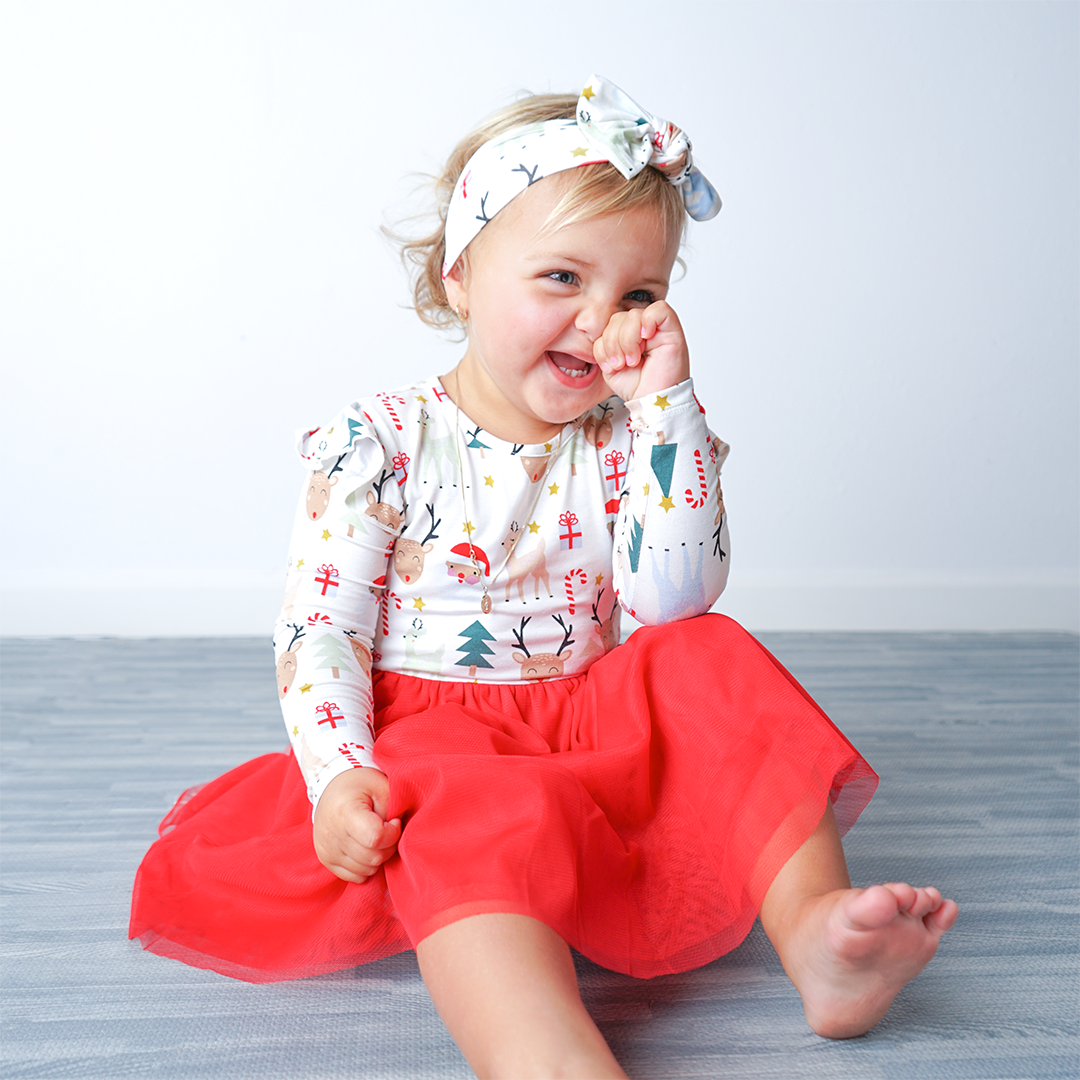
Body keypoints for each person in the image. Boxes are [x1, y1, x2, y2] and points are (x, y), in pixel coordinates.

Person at [130, 76, 958, 1078]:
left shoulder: (627, 438)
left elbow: (674, 600)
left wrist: (667, 406)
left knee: (708, 655)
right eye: (561, 278)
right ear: (460, 275)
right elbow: (322, 631)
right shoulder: (381, 440)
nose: (598, 320)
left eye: (638, 293)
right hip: (435, 742)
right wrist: (340, 772)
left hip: (591, 731)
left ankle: (817, 931)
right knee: (470, 813)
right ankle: (541, 1050)